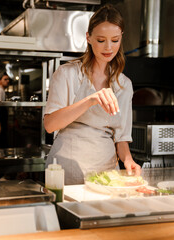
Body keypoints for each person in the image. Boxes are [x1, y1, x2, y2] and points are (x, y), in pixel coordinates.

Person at [44, 4, 141, 185]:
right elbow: (50, 125)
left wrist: (128, 161)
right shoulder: (67, 73)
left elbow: (122, 138)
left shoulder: (124, 84)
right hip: (68, 167)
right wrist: (91, 99)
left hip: (107, 171)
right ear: (88, 38)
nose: (108, 47)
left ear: (121, 38)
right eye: (101, 40)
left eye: (115, 40)